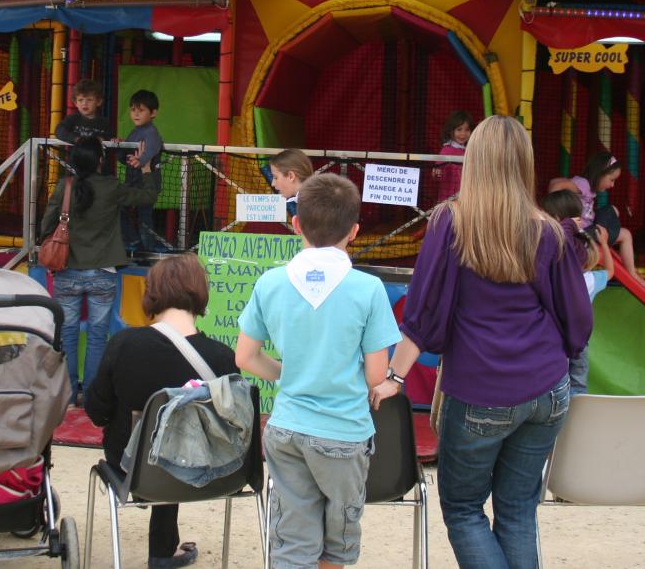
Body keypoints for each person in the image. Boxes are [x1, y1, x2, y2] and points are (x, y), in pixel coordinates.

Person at [371, 115, 592, 569]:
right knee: (516, 513)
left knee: (464, 510)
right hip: (547, 389)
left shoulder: (451, 221)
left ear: (474, 161)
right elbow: (577, 321)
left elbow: (424, 314)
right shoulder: (549, 230)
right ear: (523, 164)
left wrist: (395, 376)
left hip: (478, 391)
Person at [236, 173, 401, 569]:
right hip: (343, 433)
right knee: (336, 546)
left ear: (296, 224)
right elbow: (376, 376)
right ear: (355, 231)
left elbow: (245, 357)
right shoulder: (368, 289)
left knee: (292, 543)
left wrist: (287, 374)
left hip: (287, 428)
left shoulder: (270, 282)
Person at [84, 254, 238, 569]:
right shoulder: (223, 357)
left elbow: (97, 412)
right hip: (205, 469)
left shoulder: (124, 344)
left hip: (134, 469)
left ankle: (163, 550)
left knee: (157, 444)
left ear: (151, 292)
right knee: (180, 442)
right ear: (200, 294)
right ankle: (162, 552)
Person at [39, 136, 160, 404]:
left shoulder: (65, 187)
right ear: (100, 161)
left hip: (67, 270)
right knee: (97, 336)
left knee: (67, 334)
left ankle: (68, 395)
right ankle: (92, 396)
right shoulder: (111, 187)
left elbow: (46, 225)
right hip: (103, 273)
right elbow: (148, 196)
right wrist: (147, 168)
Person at [540, 189, 614, 395]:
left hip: (559, 336)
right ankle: (576, 412)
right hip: (579, 339)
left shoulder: (557, 263)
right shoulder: (590, 278)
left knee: (559, 379)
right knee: (578, 381)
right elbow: (610, 272)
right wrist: (605, 245)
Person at [551, 151, 640, 282]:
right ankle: (632, 274)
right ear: (601, 174)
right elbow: (556, 185)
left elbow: (555, 181)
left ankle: (631, 270)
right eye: (611, 180)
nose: (612, 185)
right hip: (583, 235)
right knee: (626, 234)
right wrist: (553, 212)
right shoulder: (583, 184)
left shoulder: (587, 186)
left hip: (588, 229)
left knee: (613, 210)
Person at [122, 89, 164, 253]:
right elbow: (124, 157)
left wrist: (141, 160)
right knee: (120, 210)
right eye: (133, 110)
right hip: (133, 182)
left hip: (147, 184)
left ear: (153, 113)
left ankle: (147, 250)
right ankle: (135, 243)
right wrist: (118, 145)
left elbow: (152, 148)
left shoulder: (151, 132)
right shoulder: (134, 132)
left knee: (144, 218)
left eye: (141, 110)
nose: (136, 114)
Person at [55, 79, 115, 144]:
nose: (84, 103)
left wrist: (112, 140)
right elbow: (59, 130)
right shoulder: (72, 119)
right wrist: (75, 138)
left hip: (97, 154)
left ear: (99, 102)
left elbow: (110, 139)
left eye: (89, 100)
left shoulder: (104, 123)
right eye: (80, 100)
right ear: (75, 103)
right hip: (75, 154)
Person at [260, 148, 314, 219]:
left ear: (291, 176)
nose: (273, 183)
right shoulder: (310, 203)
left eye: (276, 177)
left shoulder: (316, 208)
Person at [432, 110, 473, 202]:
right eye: (459, 129)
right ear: (451, 131)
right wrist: (437, 173)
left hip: (466, 200)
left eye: (467, 130)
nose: (463, 134)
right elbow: (437, 174)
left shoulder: (470, 151)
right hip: (448, 199)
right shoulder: (446, 150)